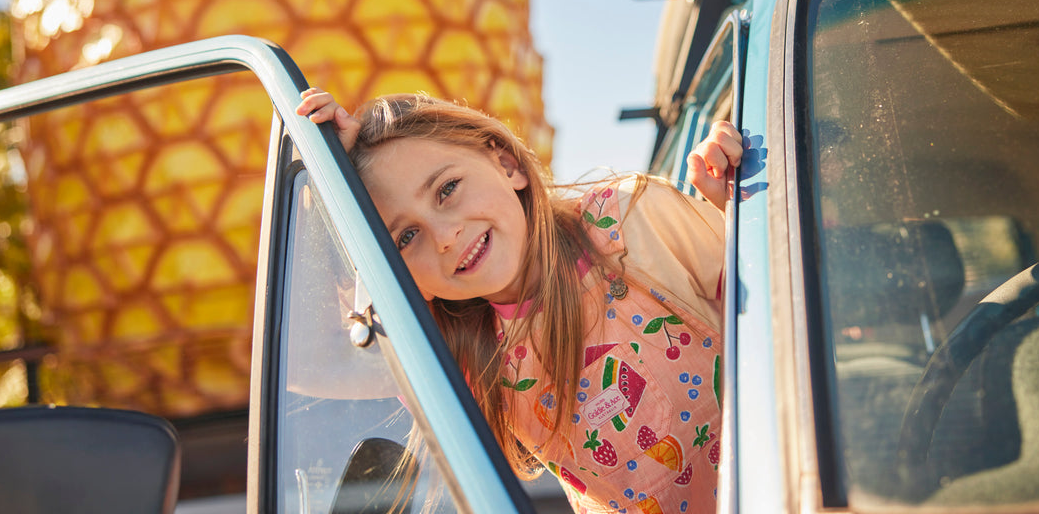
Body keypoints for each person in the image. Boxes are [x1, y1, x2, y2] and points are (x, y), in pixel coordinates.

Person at [296, 88, 742, 514]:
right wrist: (320, 179)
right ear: (407, 280)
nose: (446, 236)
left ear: (508, 165)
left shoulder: (628, 222)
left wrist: (732, 208)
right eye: (406, 237)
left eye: (447, 189)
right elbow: (304, 363)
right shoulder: (469, 359)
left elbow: (774, 309)